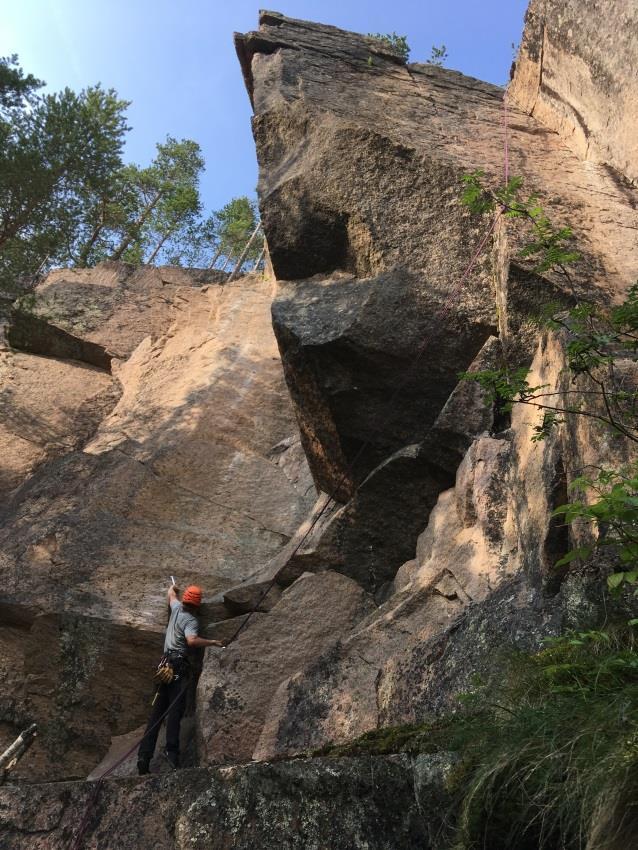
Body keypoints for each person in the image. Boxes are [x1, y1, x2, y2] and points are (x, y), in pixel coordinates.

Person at [137, 583, 223, 774]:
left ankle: (144, 756)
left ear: (185, 600)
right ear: (197, 605)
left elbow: (170, 595)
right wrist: (213, 642)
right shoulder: (191, 620)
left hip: (164, 667)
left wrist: (173, 588)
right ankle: (172, 755)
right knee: (175, 711)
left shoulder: (175, 608)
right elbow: (191, 641)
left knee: (156, 714)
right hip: (177, 667)